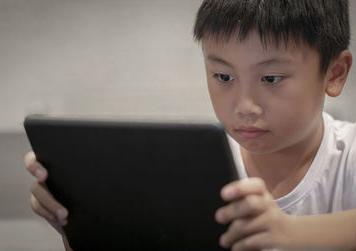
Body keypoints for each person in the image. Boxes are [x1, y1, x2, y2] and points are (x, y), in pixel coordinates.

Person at [24, 0, 356, 250]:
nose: (244, 106)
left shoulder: (349, 156)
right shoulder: (187, 172)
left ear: (335, 73)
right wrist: (80, 224)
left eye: (271, 78)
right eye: (223, 76)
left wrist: (289, 233)